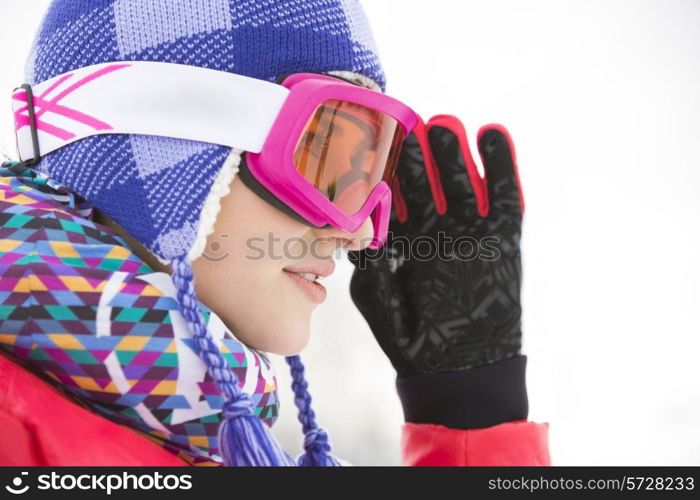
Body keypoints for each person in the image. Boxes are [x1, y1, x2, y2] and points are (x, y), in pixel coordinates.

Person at [0, 0, 550, 466]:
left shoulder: (215, 440)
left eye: (370, 168)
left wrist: (469, 411)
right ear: (172, 147)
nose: (358, 235)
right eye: (327, 158)